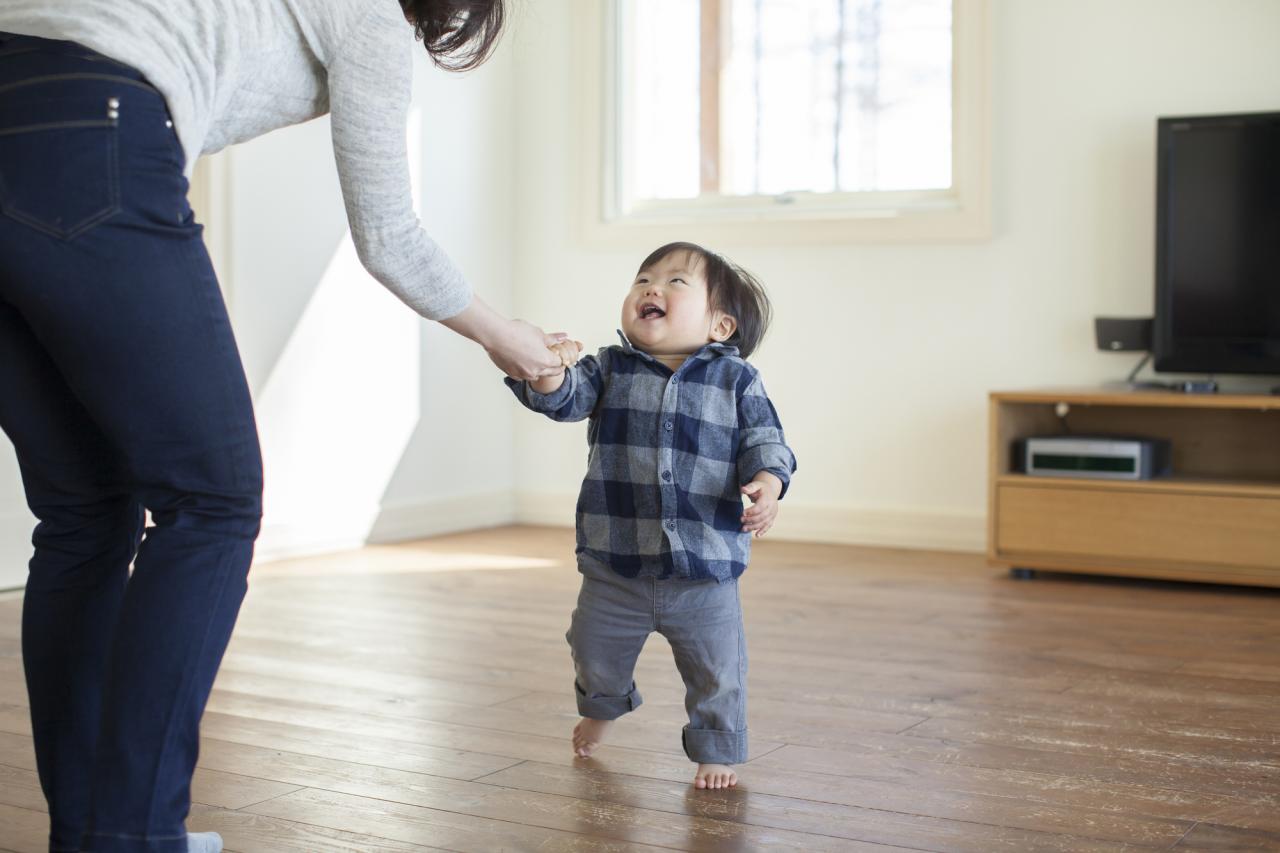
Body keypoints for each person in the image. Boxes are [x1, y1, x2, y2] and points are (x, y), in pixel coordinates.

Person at [0, 1, 561, 850]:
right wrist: (508, 338)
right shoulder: (371, 17)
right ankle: (133, 837)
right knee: (213, 501)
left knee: (83, 513)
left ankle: (93, 832)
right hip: (92, 119)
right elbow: (389, 237)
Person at [505, 242, 797, 790]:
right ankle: (603, 705)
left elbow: (767, 439)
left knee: (719, 670)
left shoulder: (737, 382)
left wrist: (768, 482)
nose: (650, 288)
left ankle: (716, 747)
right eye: (643, 279)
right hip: (616, 563)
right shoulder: (608, 368)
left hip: (704, 568)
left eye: (675, 282)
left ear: (721, 325)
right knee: (592, 648)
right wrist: (543, 368)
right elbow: (563, 398)